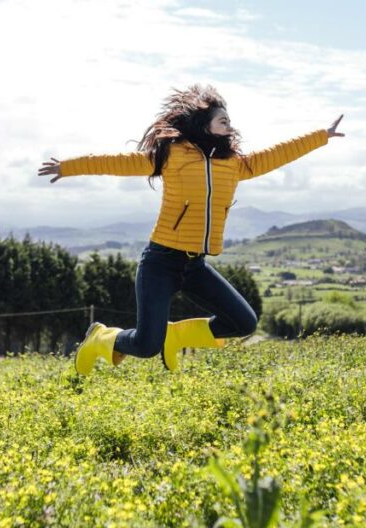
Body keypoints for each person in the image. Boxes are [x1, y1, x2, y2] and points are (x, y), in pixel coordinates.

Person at [37, 84, 345, 375]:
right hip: (160, 262)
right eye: (222, 120)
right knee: (145, 345)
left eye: (229, 121)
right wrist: (68, 166)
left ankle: (177, 335)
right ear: (203, 123)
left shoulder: (234, 163)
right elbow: (119, 163)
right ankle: (102, 338)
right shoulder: (172, 155)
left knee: (243, 322)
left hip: (195, 265)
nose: (229, 125)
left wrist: (321, 136)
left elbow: (277, 154)